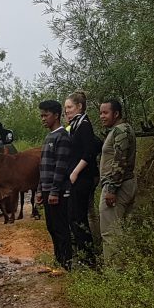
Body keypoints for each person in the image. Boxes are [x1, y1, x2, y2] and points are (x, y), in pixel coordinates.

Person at [98, 98, 137, 261]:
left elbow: (120, 161)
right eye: (100, 113)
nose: (102, 116)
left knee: (111, 233)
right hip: (127, 184)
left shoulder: (120, 131)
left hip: (117, 187)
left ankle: (115, 275)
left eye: (105, 113)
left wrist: (112, 189)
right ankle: (128, 272)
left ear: (116, 113)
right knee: (123, 231)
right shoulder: (123, 129)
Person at [64, 90, 100, 266]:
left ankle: (88, 259)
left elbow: (90, 151)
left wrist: (75, 172)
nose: (67, 111)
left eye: (69, 107)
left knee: (78, 217)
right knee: (73, 217)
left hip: (82, 178)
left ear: (79, 107)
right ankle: (83, 255)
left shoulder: (84, 125)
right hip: (76, 178)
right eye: (65, 108)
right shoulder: (75, 124)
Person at [37, 99, 73, 271]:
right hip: (46, 189)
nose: (43, 119)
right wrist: (39, 189)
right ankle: (58, 260)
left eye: (46, 115)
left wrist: (54, 191)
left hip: (56, 191)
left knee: (60, 227)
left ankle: (66, 263)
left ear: (56, 115)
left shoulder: (62, 137)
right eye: (41, 116)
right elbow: (42, 166)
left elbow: (60, 166)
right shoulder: (48, 136)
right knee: (51, 226)